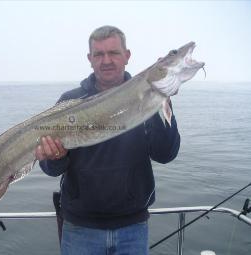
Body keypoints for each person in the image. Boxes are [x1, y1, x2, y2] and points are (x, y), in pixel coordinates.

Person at [35, 25, 180, 255]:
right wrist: (54, 157)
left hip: (133, 226)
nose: (106, 60)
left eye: (113, 53)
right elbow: (51, 168)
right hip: (80, 228)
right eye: (99, 54)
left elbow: (165, 154)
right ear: (89, 59)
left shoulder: (150, 94)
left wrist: (160, 100)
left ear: (127, 56)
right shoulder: (70, 101)